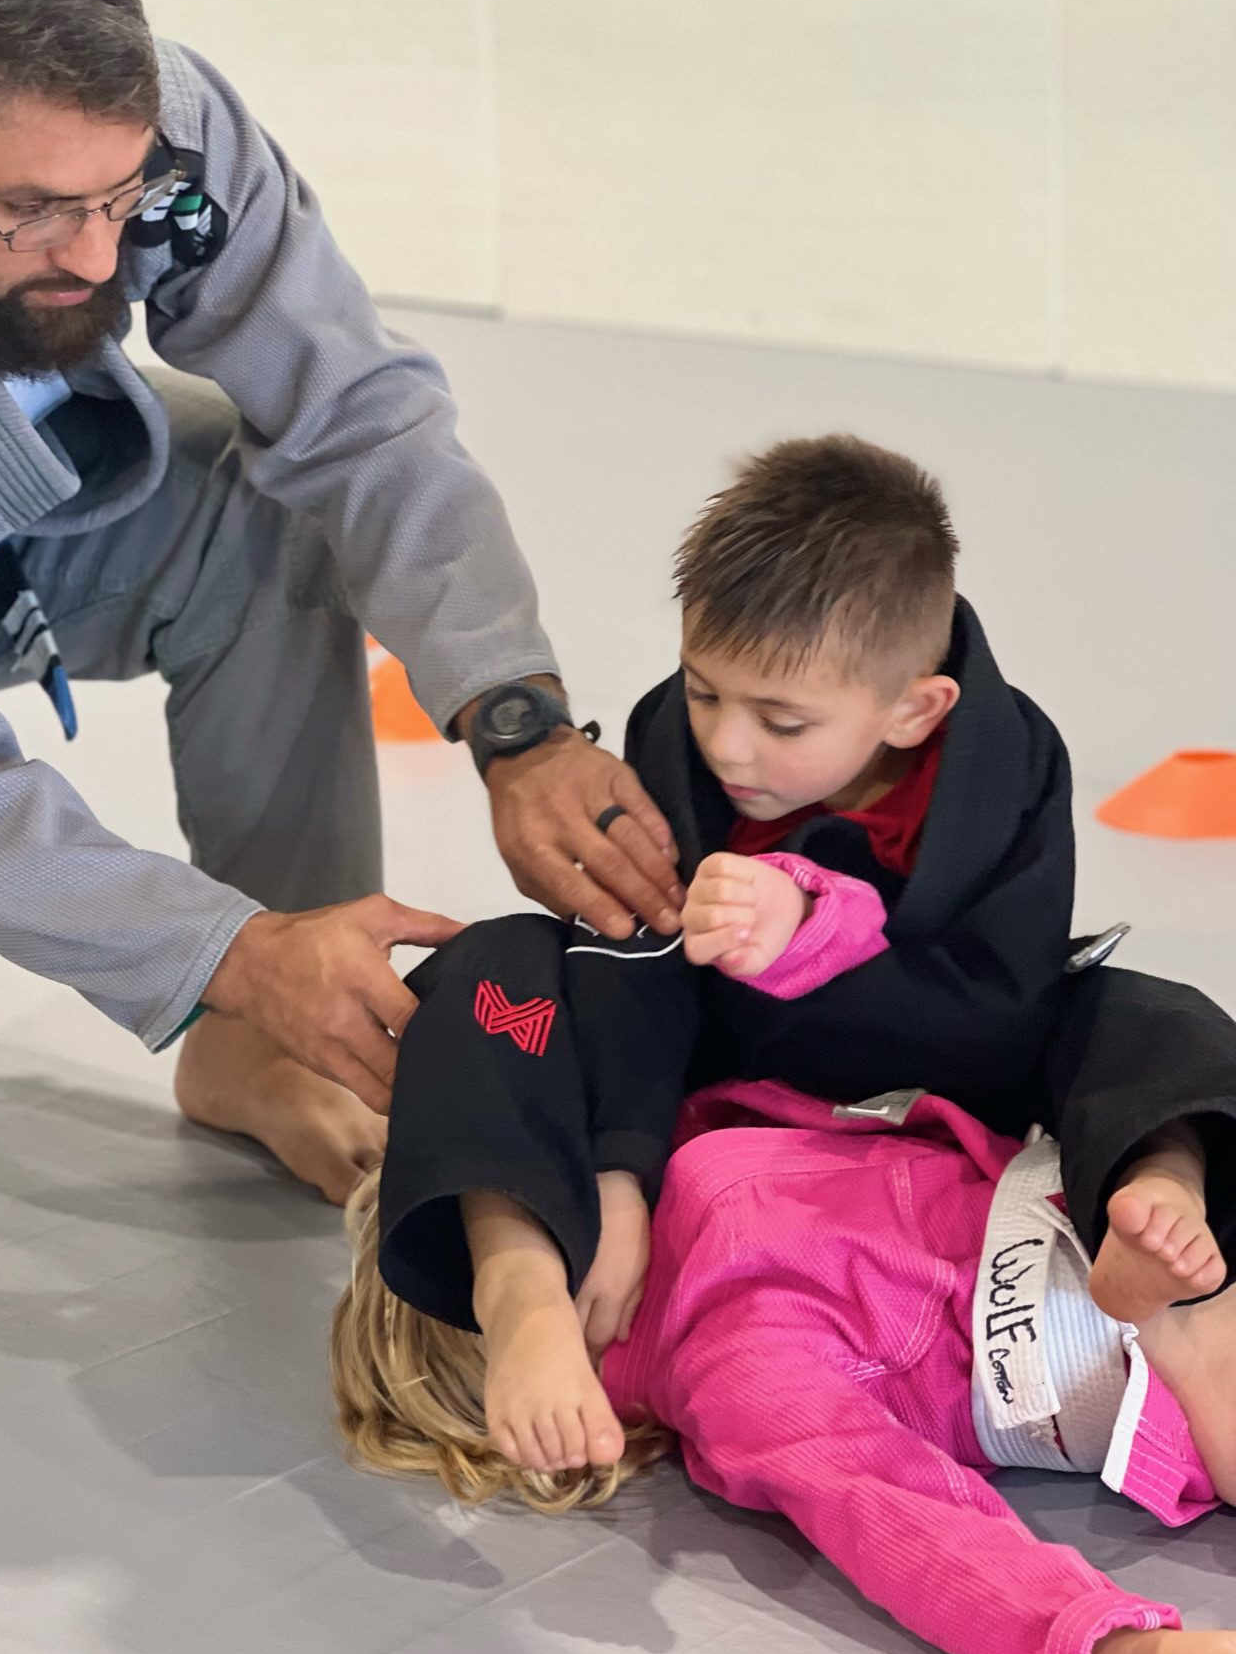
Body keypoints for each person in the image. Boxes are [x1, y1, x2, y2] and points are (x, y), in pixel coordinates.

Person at [0, 0, 683, 1203]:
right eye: (32, 211)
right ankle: (265, 992)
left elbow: (355, 409)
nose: (97, 259)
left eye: (115, 198)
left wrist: (515, 718)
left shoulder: (159, 133)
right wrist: (226, 949)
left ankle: (268, 1054)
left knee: (251, 509)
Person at [376, 435, 1236, 1332]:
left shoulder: (1009, 768)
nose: (727, 745)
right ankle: (518, 1259)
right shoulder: (670, 735)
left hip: (940, 1066)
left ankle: (1157, 1186)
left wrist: (812, 940)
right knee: (503, 958)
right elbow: (646, 969)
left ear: (915, 709)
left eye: (783, 722)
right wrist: (621, 1175)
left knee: (1149, 1017)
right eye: (706, 691)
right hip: (726, 1055)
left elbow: (1001, 1016)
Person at [330, 1083, 1236, 1654]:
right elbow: (903, 1520)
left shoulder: (697, 1140)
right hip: (1161, 1329)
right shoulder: (734, 1351)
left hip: (1154, 1203)